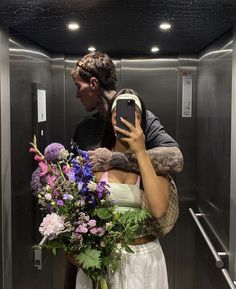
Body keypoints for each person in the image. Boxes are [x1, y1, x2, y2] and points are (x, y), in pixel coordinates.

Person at [65, 51, 183, 289]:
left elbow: (176, 159)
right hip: (94, 251)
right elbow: (74, 194)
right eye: (115, 117)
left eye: (79, 86)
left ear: (94, 83)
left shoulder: (144, 121)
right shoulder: (84, 128)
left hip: (141, 255)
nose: (77, 94)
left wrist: (115, 159)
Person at [75, 89, 170, 289]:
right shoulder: (98, 161)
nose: (126, 123)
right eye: (119, 117)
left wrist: (141, 151)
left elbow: (159, 209)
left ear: (142, 123)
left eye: (133, 118)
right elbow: (80, 217)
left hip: (145, 261)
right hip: (103, 260)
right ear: (111, 121)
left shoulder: (156, 162)